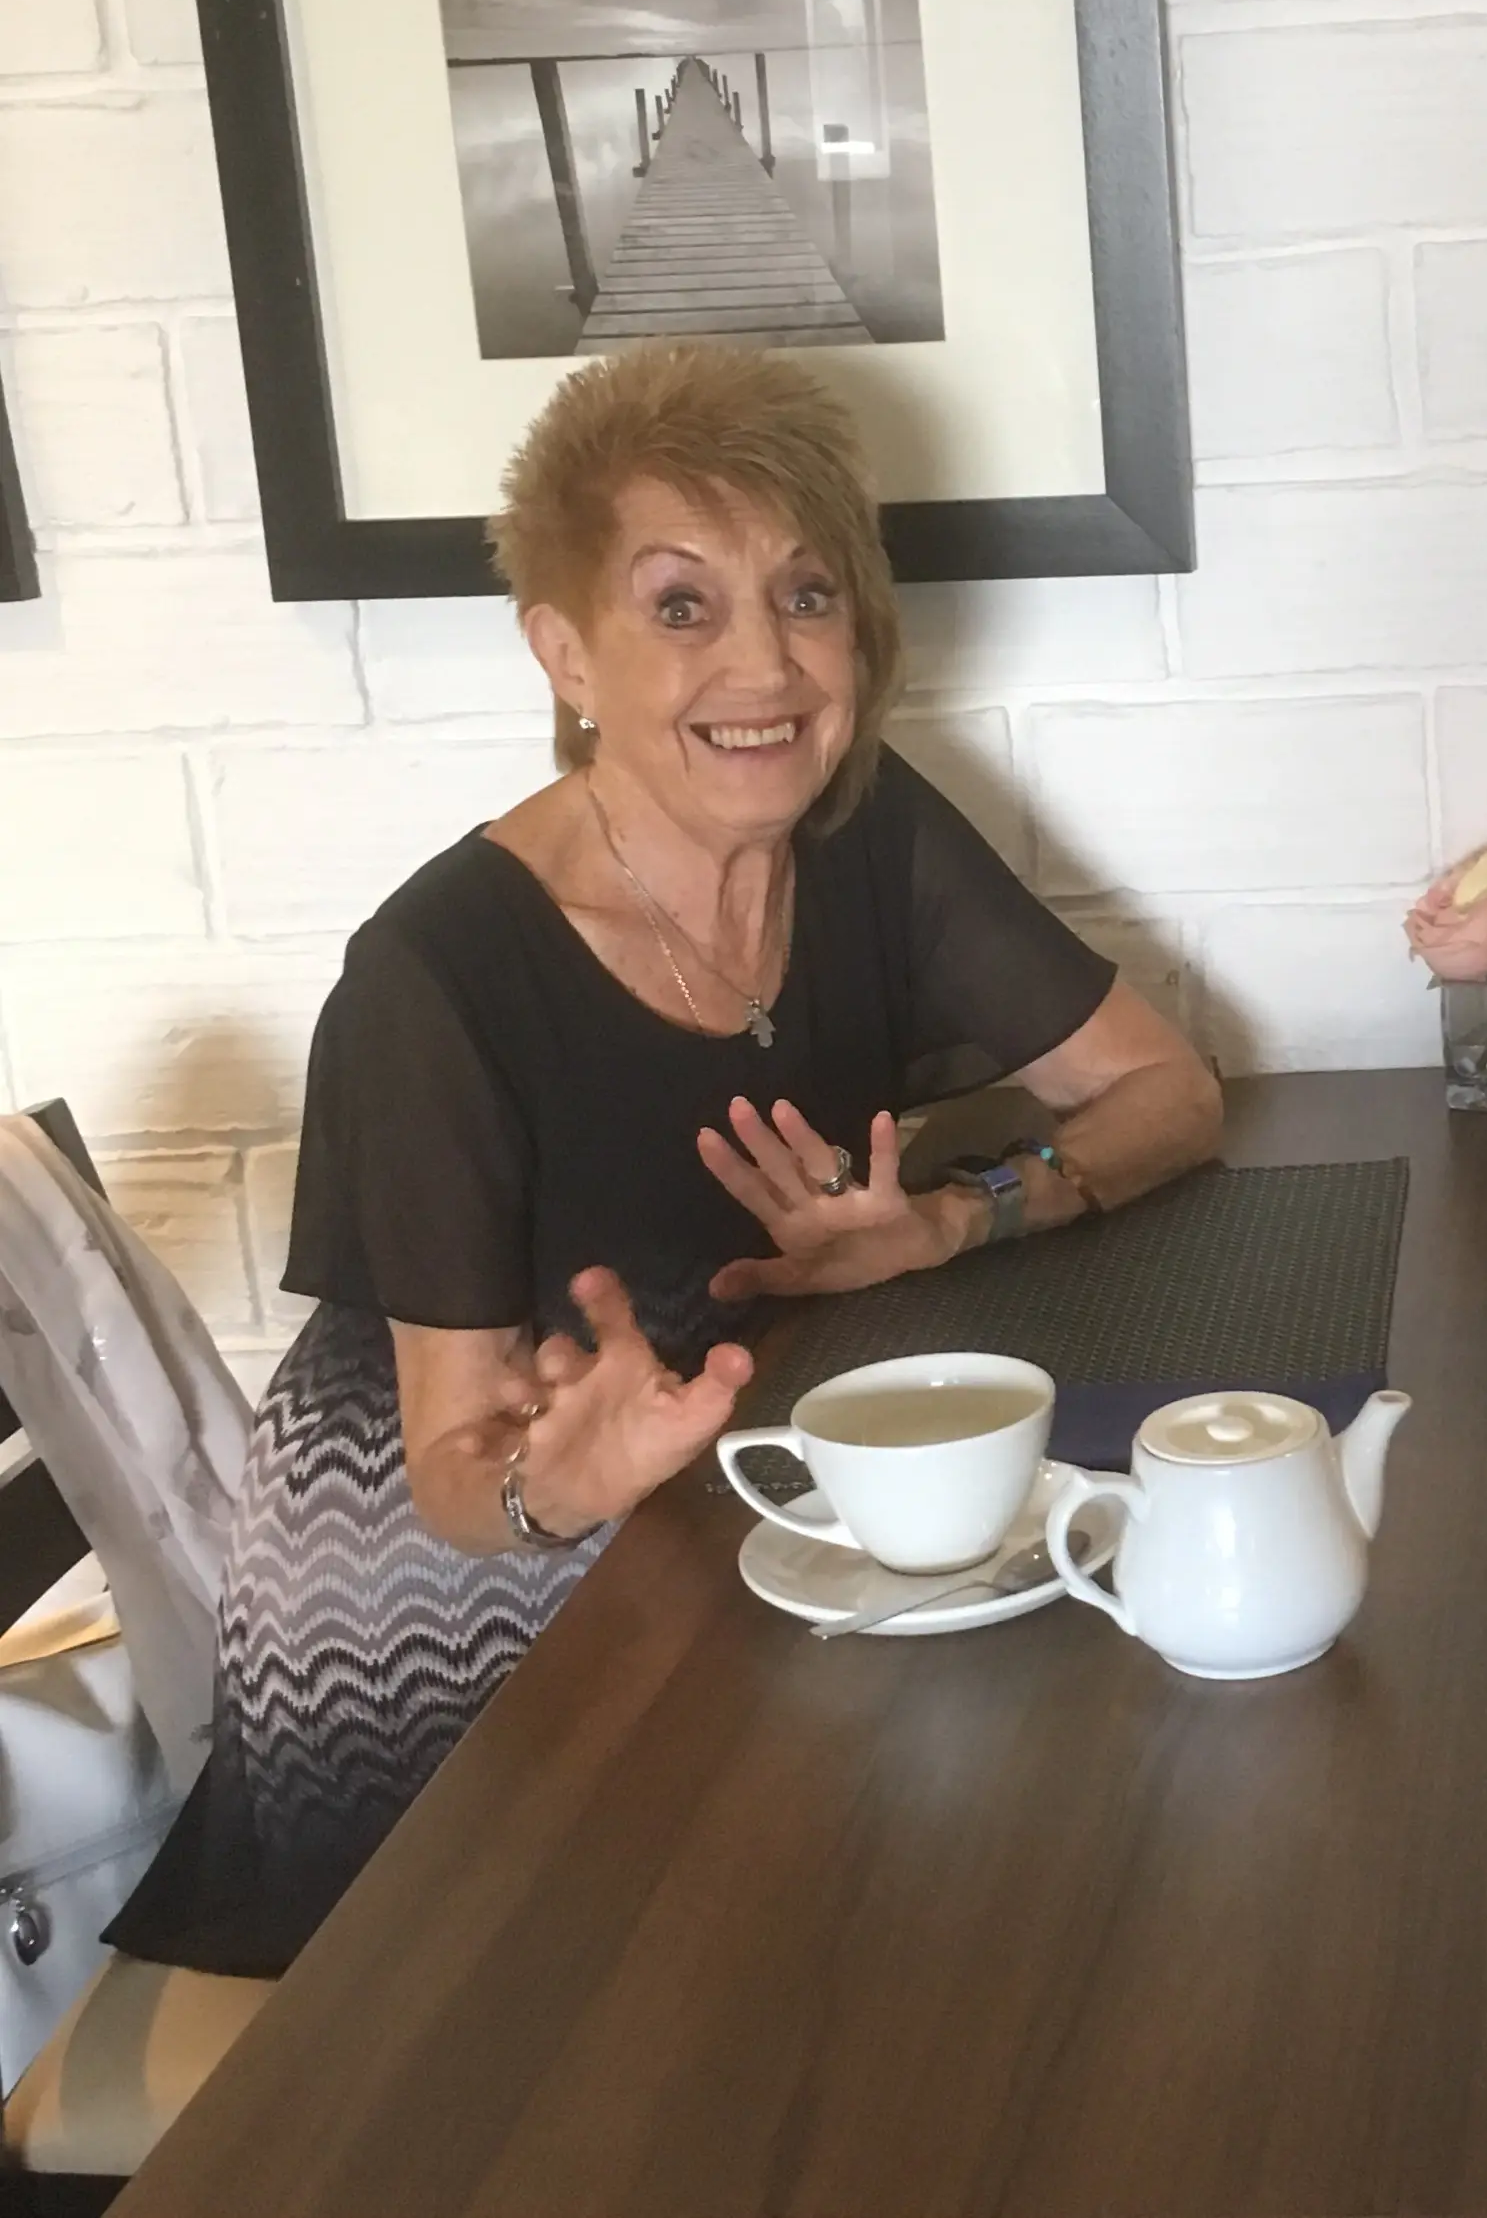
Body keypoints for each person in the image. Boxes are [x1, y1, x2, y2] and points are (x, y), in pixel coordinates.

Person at [107, 342, 1223, 1975]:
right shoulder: (434, 980)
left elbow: (1168, 1092)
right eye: (682, 606)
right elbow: (452, 1458)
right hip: (445, 1580)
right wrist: (563, 1484)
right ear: (565, 651)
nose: (764, 667)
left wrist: (954, 1223)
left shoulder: (865, 830)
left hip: (739, 1473)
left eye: (808, 596)